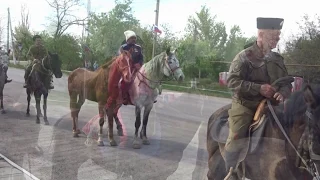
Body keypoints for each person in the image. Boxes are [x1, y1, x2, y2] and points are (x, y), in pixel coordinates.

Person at [224, 17, 292, 179]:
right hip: (247, 105)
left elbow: (286, 82)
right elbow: (232, 82)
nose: (277, 39)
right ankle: (232, 172)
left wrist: (282, 93)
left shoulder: (278, 59)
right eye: (273, 36)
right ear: (261, 34)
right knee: (236, 136)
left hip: (274, 106)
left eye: (278, 36)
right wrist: (259, 89)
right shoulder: (244, 57)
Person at [117, 30, 157, 105]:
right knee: (125, 81)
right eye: (132, 38)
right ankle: (124, 96)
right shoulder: (123, 47)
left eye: (135, 38)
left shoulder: (138, 47)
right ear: (128, 39)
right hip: (127, 68)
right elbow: (120, 58)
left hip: (138, 67)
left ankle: (150, 96)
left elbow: (141, 57)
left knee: (147, 78)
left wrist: (139, 63)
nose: (134, 39)